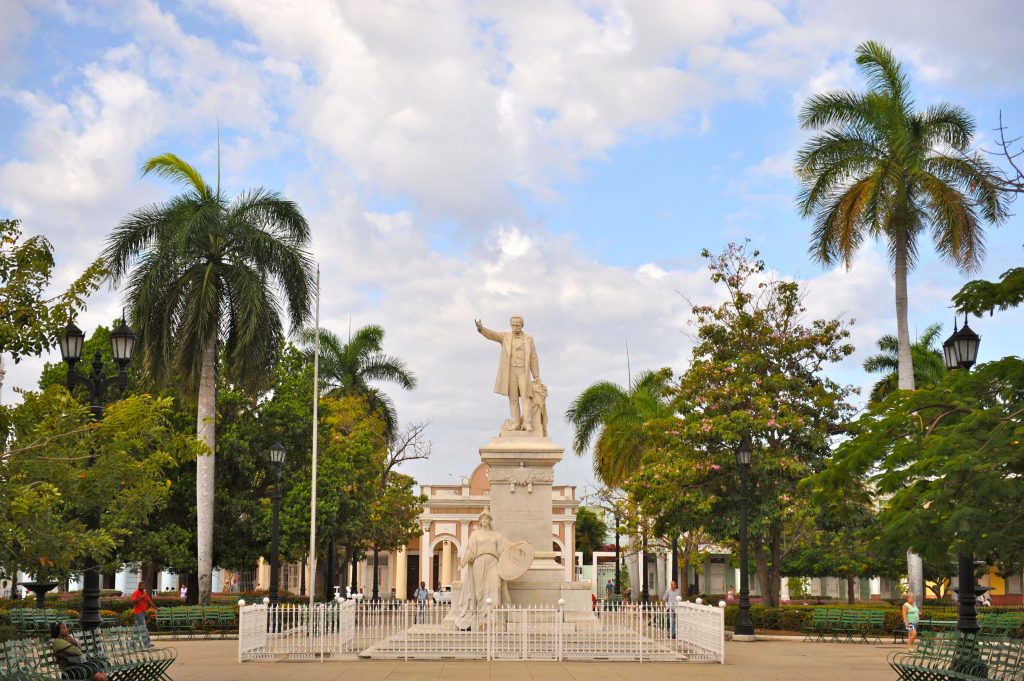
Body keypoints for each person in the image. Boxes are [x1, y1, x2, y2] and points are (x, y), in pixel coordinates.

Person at [475, 317, 541, 432]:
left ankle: (527, 423)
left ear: (522, 325)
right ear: (511, 325)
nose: (515, 327)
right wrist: (481, 328)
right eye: (513, 325)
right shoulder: (505, 337)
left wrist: (536, 376)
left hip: (523, 371)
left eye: (518, 325)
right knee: (513, 398)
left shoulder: (529, 339)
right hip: (510, 371)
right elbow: (492, 335)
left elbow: (533, 358)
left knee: (526, 397)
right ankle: (515, 422)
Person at [453, 510, 512, 630]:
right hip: (479, 562)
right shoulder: (475, 535)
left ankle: (494, 615)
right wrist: (463, 563)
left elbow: (506, 546)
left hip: (493, 562)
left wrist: (517, 547)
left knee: (496, 586)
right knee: (480, 592)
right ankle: (482, 617)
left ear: (490, 521)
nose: (484, 520)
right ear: (480, 521)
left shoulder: (496, 535)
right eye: (482, 519)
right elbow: (470, 551)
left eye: (486, 518)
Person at [131, 580, 155, 647]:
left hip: (142, 613)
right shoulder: (136, 593)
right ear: (138, 586)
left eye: (144, 585)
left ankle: (132, 644)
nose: (143, 587)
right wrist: (140, 597)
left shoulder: (144, 593)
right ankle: (147, 643)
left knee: (136, 629)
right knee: (144, 628)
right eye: (141, 585)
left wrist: (156, 608)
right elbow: (133, 601)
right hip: (138, 613)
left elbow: (149, 601)